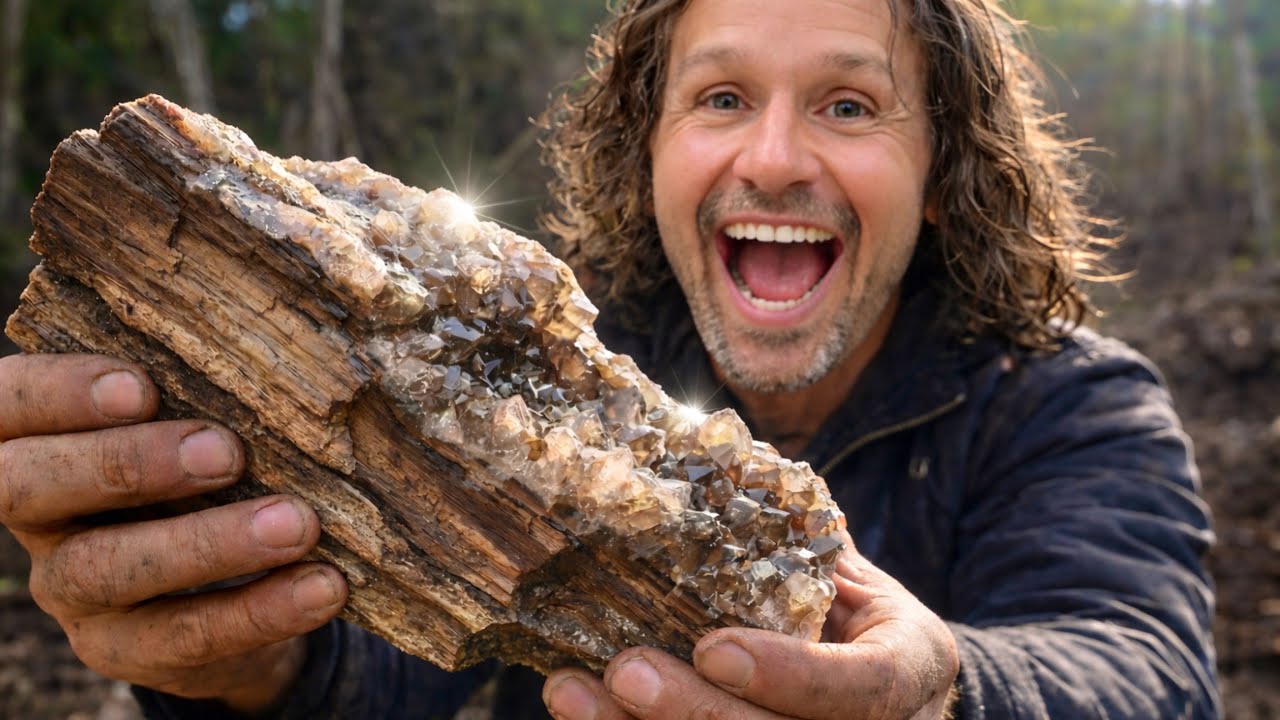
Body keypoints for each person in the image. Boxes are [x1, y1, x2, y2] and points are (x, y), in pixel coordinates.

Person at [0, 0, 1219, 717]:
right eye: (720, 99)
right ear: (649, 154)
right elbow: (379, 665)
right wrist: (248, 649)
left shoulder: (1066, 402)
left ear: (944, 177)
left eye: (848, 106)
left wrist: (947, 688)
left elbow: (1140, 663)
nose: (776, 159)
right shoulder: (537, 368)